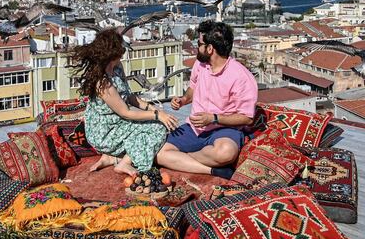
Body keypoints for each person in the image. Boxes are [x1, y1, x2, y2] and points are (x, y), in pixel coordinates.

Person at [72, 28, 179, 177]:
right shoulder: (102, 83)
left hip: (119, 122)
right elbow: (126, 112)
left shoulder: (117, 68)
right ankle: (125, 163)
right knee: (157, 129)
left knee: (153, 125)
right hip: (105, 131)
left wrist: (151, 107)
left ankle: (112, 158)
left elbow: (129, 97)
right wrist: (156, 115)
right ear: (112, 52)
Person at [157, 20, 257, 177]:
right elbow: (193, 88)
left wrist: (214, 119)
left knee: (226, 153)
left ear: (210, 49)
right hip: (195, 127)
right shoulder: (200, 64)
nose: (197, 47)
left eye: (199, 44)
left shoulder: (241, 77)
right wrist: (183, 100)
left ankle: (183, 159)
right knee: (159, 152)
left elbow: (247, 118)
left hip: (223, 129)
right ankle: (212, 170)